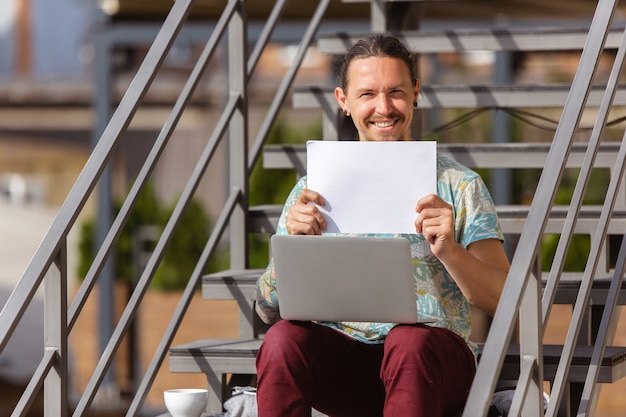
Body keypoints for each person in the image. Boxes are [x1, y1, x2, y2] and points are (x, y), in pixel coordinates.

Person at [254, 35, 511, 417]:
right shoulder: (312, 191)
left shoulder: (459, 185)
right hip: (345, 364)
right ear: (343, 101)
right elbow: (267, 311)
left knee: (409, 341)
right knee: (282, 340)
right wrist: (290, 247)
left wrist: (450, 250)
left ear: (416, 93)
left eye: (395, 92)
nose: (384, 108)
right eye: (367, 94)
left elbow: (507, 300)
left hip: (432, 365)